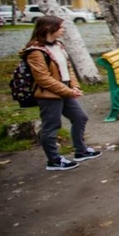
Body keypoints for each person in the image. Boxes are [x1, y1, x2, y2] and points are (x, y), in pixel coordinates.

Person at [22, 16, 100, 171]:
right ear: (49, 28)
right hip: (48, 94)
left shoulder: (58, 45)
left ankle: (81, 150)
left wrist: (74, 86)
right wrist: (68, 91)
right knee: (51, 125)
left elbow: (68, 67)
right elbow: (43, 78)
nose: (63, 30)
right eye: (61, 27)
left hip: (65, 90)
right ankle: (54, 160)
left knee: (80, 117)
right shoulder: (35, 51)